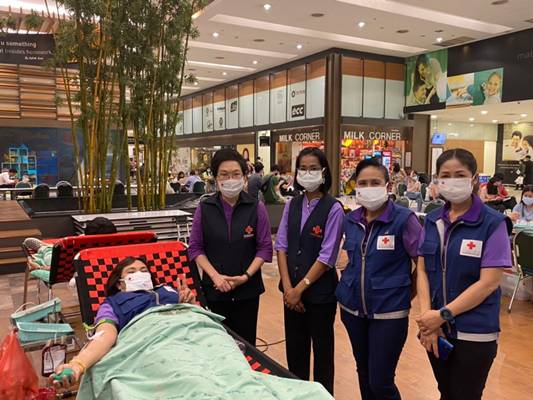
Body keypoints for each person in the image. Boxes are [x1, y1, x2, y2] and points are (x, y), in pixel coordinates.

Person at [416, 148, 512, 400]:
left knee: (465, 395)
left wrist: (442, 315)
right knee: (446, 392)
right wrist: (427, 320)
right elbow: (423, 269)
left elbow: (488, 283)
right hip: (436, 329)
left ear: (474, 178)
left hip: (474, 331)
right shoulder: (432, 220)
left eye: (460, 175)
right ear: (437, 180)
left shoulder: (493, 223)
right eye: (445, 176)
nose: (452, 181)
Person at [336, 158, 422, 400]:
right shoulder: (350, 220)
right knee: (363, 372)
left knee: (381, 380)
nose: (368, 187)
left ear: (388, 186)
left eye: (375, 182)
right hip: (352, 311)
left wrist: (407, 293)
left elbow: (424, 264)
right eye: (363, 183)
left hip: (389, 314)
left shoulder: (404, 220)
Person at [50, 257, 196, 388]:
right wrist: (78, 364)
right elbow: (105, 334)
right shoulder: (112, 304)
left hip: (193, 330)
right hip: (155, 340)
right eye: (131, 272)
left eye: (144, 270)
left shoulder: (169, 290)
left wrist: (190, 303)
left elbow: (197, 314)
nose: (139, 274)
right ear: (119, 284)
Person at [274, 147, 343, 395]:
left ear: (324, 172)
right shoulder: (292, 204)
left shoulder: (333, 208)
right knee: (295, 353)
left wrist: (299, 289)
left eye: (313, 168)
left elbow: (327, 256)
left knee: (322, 355)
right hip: (290, 295)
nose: (307, 172)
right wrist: (288, 289)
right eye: (303, 168)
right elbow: (281, 245)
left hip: (320, 295)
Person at [188, 148, 273, 345]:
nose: (230, 179)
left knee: (246, 345)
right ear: (215, 178)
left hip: (247, 290)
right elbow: (195, 248)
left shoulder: (256, 207)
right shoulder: (205, 208)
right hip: (214, 290)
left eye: (236, 174)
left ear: (244, 177)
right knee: (217, 345)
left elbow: (265, 248)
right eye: (224, 174)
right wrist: (215, 277)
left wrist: (245, 276)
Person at [24, 217, 118, 275]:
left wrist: (39, 268)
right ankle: (48, 247)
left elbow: (60, 268)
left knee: (50, 255)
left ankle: (44, 247)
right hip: (94, 270)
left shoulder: (79, 244)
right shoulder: (117, 245)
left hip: (71, 271)